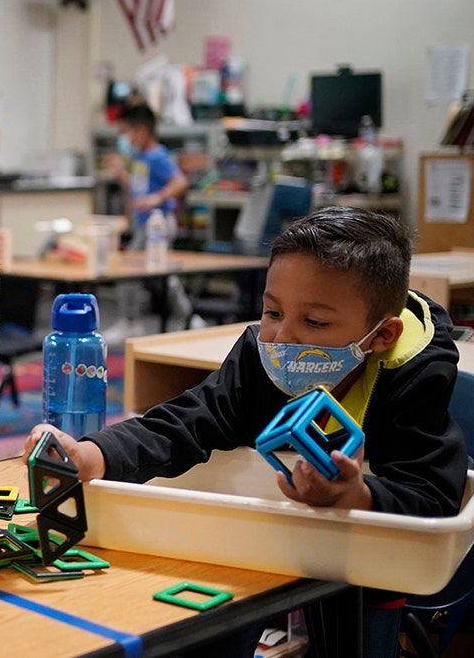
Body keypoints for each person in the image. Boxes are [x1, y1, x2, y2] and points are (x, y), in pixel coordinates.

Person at [25, 207, 468, 657]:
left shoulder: (415, 377)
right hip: (264, 552)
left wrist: (357, 496)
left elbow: (431, 496)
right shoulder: (260, 356)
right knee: (211, 621)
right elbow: (188, 420)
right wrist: (92, 454)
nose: (282, 337)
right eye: (272, 310)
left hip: (369, 562)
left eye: (314, 322)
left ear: (382, 335)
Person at [100, 101, 192, 344]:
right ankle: (189, 316)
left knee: (130, 267)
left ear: (141, 130)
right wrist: (122, 177)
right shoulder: (140, 158)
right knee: (160, 274)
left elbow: (180, 182)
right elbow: (137, 190)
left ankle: (131, 322)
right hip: (144, 223)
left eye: (126, 132)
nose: (125, 138)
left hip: (158, 223)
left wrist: (157, 198)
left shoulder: (158, 156)